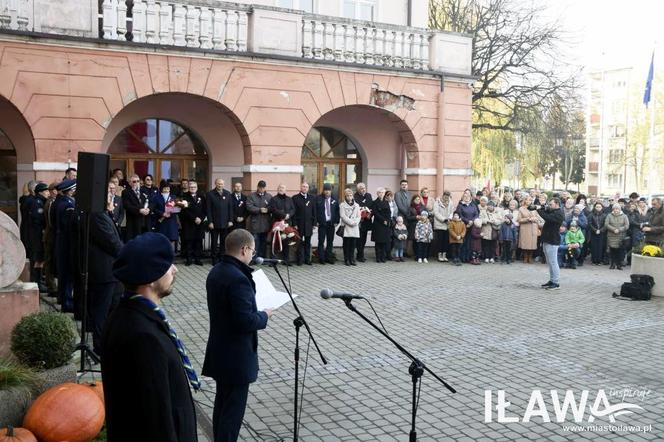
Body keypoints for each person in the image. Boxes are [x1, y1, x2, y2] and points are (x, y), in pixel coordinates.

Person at [102, 233, 198, 441]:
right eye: (168, 265)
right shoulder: (143, 337)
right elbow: (155, 421)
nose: (175, 270)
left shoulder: (130, 313)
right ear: (152, 277)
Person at [202, 229, 273, 441]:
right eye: (252, 250)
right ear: (244, 249)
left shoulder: (216, 270)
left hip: (220, 349)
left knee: (222, 404)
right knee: (232, 414)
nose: (252, 254)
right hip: (237, 355)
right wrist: (264, 315)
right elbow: (245, 321)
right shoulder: (239, 279)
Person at [87, 196, 124, 356]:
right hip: (104, 271)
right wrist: (128, 253)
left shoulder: (105, 213)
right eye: (109, 196)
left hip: (112, 271)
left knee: (114, 306)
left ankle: (110, 341)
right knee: (102, 310)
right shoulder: (97, 216)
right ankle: (100, 347)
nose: (113, 199)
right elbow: (111, 242)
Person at [54, 179, 77, 312]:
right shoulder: (67, 205)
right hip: (66, 241)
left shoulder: (59, 202)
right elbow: (68, 226)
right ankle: (66, 301)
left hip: (61, 240)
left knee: (64, 272)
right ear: (69, 190)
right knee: (67, 272)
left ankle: (63, 298)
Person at [537, 198, 564, 290]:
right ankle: (552, 280)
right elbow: (547, 212)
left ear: (557, 204)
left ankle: (556, 282)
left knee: (553, 262)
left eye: (551, 204)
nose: (550, 206)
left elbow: (546, 217)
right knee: (549, 262)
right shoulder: (553, 211)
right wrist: (542, 207)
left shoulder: (559, 213)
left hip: (553, 240)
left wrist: (538, 209)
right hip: (547, 239)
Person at [28, 182, 49, 292]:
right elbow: (38, 219)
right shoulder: (37, 202)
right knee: (38, 258)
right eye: (46, 191)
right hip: (37, 235)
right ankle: (37, 281)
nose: (47, 193)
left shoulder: (40, 201)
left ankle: (39, 280)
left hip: (38, 234)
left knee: (40, 258)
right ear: (40, 192)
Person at [207, 179, 234, 264]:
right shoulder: (210, 194)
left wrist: (230, 220)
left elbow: (230, 208)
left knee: (223, 242)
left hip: (225, 223)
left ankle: (222, 258)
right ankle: (214, 259)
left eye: (221, 184)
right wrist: (210, 221)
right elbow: (208, 209)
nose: (220, 185)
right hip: (214, 223)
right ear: (215, 184)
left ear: (223, 184)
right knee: (214, 242)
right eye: (218, 184)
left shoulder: (228, 193)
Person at [267, 184, 295, 262]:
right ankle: (273, 260)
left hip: (286, 223)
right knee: (275, 241)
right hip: (276, 223)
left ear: (285, 190)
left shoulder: (289, 199)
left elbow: (293, 209)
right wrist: (284, 215)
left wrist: (289, 215)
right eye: (279, 188)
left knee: (286, 241)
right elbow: (274, 209)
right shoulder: (273, 199)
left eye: (283, 188)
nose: (281, 189)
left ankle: (286, 260)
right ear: (277, 189)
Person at [181, 181, 207, 266]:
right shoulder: (184, 197)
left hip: (199, 223)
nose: (193, 188)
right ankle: (189, 259)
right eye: (191, 187)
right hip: (189, 223)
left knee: (198, 241)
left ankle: (197, 259)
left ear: (197, 188)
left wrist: (201, 218)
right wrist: (194, 218)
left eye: (194, 187)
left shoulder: (202, 197)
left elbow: (205, 209)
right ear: (189, 188)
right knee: (189, 241)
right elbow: (185, 211)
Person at [246, 180, 272, 259]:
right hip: (255, 223)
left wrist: (268, 209)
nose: (261, 189)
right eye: (260, 187)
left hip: (265, 223)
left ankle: (262, 258)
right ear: (257, 187)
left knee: (264, 242)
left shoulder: (269, 196)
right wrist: (259, 210)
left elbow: (272, 206)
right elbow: (249, 206)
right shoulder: (252, 196)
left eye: (263, 187)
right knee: (255, 242)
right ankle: (254, 258)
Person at [315, 183, 339, 264]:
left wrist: (336, 221)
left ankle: (328, 257)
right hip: (322, 224)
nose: (327, 192)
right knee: (321, 241)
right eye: (325, 190)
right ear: (323, 190)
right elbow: (315, 211)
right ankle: (321, 258)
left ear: (331, 191)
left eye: (328, 190)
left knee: (330, 241)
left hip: (331, 224)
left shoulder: (334, 199)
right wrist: (316, 221)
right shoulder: (318, 198)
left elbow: (337, 211)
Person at [292, 182, 315, 266]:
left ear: (308, 189)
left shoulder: (312, 198)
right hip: (299, 224)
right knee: (299, 242)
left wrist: (314, 223)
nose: (305, 188)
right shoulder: (295, 198)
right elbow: (293, 212)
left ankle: (307, 259)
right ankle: (299, 260)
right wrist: (294, 223)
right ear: (301, 187)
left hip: (309, 224)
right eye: (303, 186)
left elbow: (314, 211)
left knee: (308, 243)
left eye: (306, 187)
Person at [151, 181, 180, 249]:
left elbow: (177, 207)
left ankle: (170, 256)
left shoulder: (173, 197)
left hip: (171, 222)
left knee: (171, 240)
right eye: (165, 188)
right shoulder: (156, 197)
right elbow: (154, 209)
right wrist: (162, 213)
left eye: (168, 188)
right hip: (161, 222)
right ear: (161, 188)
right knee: (161, 240)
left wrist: (172, 211)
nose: (167, 190)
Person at [122, 174, 150, 241]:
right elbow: (127, 206)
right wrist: (139, 210)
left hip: (144, 221)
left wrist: (149, 209)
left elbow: (150, 202)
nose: (136, 183)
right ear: (130, 183)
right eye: (134, 181)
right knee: (134, 243)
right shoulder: (126, 192)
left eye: (138, 181)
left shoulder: (143, 191)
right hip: (133, 222)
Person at [604, 203, 630, 270]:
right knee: (612, 251)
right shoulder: (609, 215)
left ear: (620, 209)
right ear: (613, 209)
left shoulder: (624, 216)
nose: (616, 210)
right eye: (614, 209)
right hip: (611, 236)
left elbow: (627, 225)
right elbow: (606, 224)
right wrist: (613, 229)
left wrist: (619, 229)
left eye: (617, 209)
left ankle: (619, 265)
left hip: (621, 236)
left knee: (620, 251)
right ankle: (612, 264)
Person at [456, 190, 479, 263]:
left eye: (468, 197)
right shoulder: (460, 205)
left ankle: (468, 258)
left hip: (471, 226)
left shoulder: (473, 205)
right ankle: (461, 258)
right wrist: (467, 221)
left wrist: (472, 221)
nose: (466, 198)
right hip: (463, 226)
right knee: (463, 243)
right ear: (462, 198)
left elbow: (476, 214)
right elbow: (459, 215)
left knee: (470, 243)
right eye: (464, 197)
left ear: (470, 198)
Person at [339, 188, 360, 266]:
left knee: (353, 244)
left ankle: (352, 259)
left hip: (354, 227)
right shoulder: (342, 205)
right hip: (347, 227)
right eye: (347, 195)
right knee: (346, 244)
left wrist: (355, 222)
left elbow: (359, 216)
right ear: (345, 196)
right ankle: (346, 259)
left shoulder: (357, 205)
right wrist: (351, 222)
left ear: (353, 196)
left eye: (350, 195)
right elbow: (342, 216)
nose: (349, 197)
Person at [353, 183, 373, 262]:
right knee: (359, 239)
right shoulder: (355, 196)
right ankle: (360, 255)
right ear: (358, 189)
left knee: (364, 239)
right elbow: (357, 207)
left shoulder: (369, 195)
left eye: (364, 187)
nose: (363, 189)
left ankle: (360, 254)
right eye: (361, 188)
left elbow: (371, 206)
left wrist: (370, 214)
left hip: (367, 220)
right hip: (359, 221)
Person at [433, 191, 455, 262]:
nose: (446, 197)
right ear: (443, 195)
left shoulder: (450, 202)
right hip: (440, 224)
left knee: (446, 241)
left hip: (447, 224)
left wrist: (450, 218)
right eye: (445, 196)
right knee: (440, 241)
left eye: (448, 196)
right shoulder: (437, 202)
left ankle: (444, 255)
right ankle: (439, 255)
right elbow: (436, 213)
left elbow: (452, 211)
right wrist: (444, 219)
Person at [371, 188, 392, 263]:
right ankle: (378, 257)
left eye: (383, 192)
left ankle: (383, 257)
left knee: (384, 242)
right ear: (377, 193)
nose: (381, 194)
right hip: (378, 224)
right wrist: (383, 220)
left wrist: (388, 220)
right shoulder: (375, 202)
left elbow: (389, 212)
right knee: (378, 242)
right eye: (380, 192)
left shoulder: (386, 202)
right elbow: (376, 213)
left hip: (385, 225)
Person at [517, 196, 538, 263]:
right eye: (527, 200)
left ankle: (530, 257)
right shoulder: (521, 209)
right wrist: (527, 219)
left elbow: (538, 217)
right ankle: (525, 257)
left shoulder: (534, 208)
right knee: (525, 243)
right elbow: (519, 219)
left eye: (530, 200)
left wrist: (534, 219)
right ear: (525, 201)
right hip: (525, 227)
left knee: (532, 244)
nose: (528, 201)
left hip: (533, 227)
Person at [394, 180, 412, 254]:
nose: (404, 186)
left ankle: (405, 251)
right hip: (401, 217)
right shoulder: (397, 194)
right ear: (400, 185)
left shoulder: (410, 194)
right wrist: (407, 214)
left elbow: (411, 204)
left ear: (407, 185)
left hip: (408, 216)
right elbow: (399, 205)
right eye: (402, 184)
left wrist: (410, 213)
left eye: (405, 184)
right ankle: (398, 252)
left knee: (406, 233)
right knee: (400, 233)